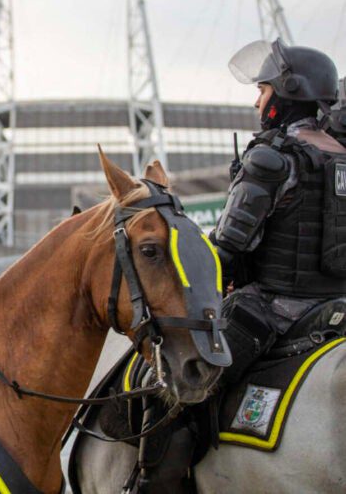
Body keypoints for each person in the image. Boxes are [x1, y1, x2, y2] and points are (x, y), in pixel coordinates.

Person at [132, 37, 344, 493]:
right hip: (336, 309)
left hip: (272, 310)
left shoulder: (271, 158)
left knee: (169, 385)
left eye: (263, 89)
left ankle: (157, 485)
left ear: (286, 93)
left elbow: (226, 248)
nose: (257, 99)